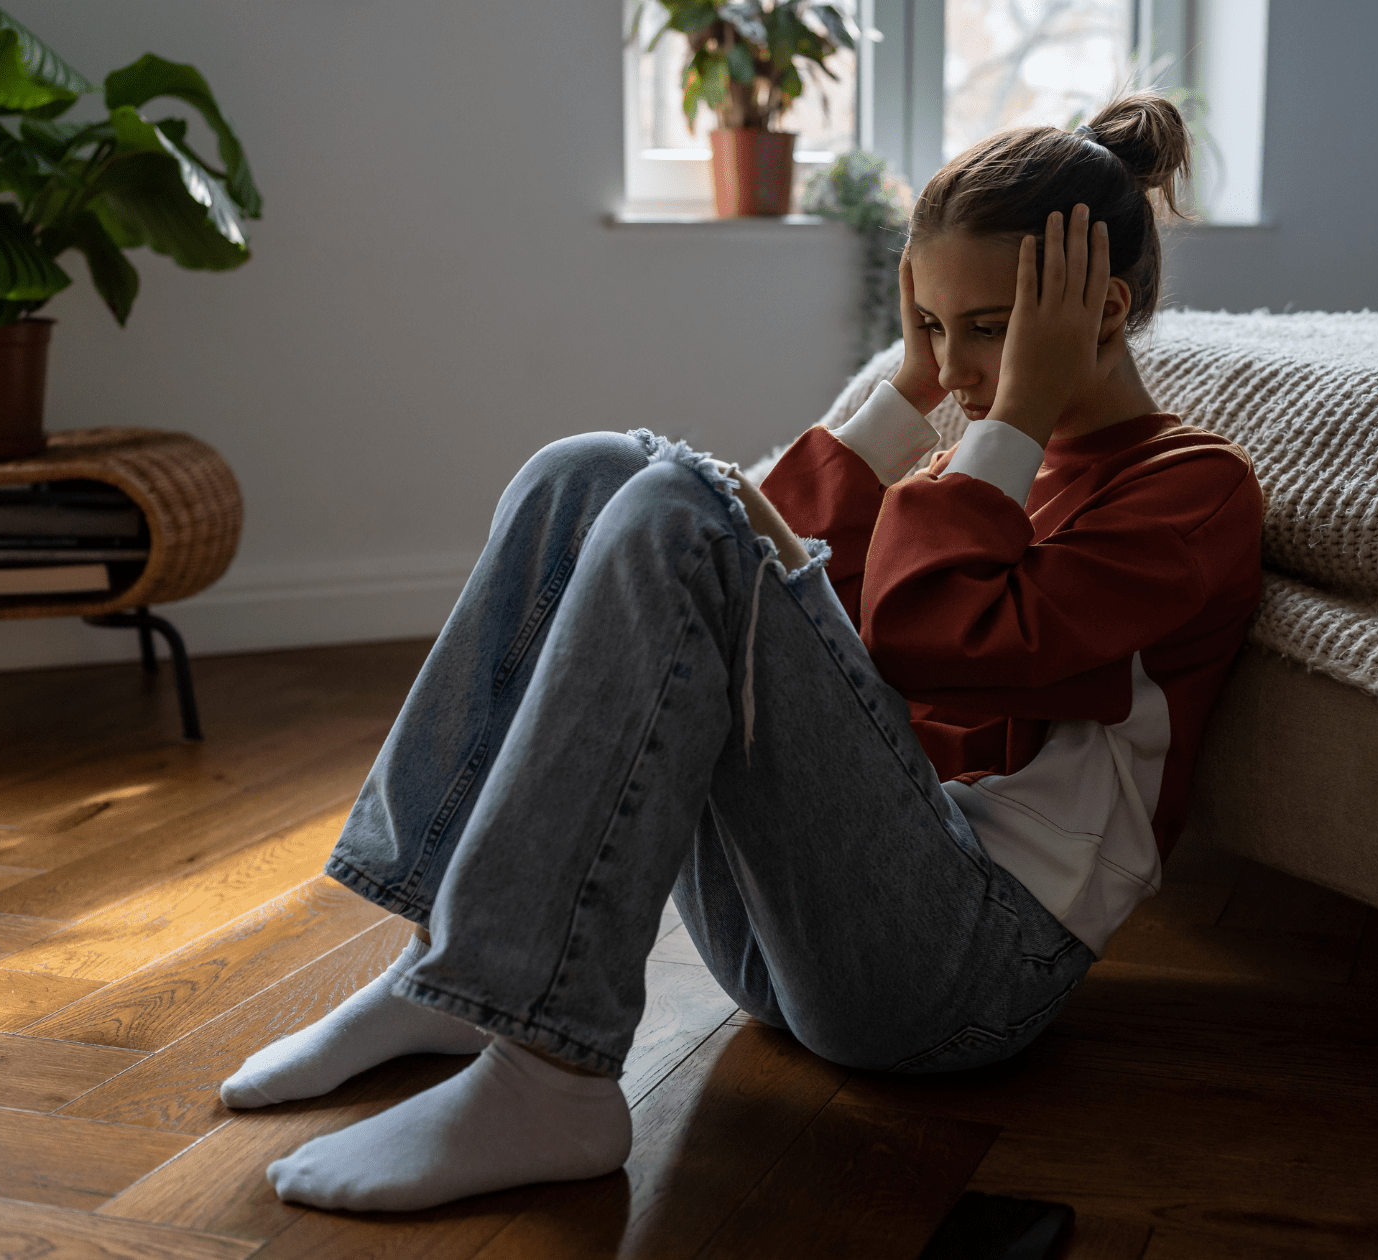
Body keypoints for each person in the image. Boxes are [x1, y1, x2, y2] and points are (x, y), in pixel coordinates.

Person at [223, 91, 1264, 1213]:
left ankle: (550, 1075)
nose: (956, 369)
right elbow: (758, 573)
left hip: (969, 974)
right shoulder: (959, 480)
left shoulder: (1188, 493)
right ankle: (455, 969)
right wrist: (908, 395)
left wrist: (1007, 425)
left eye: (989, 327)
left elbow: (929, 640)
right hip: (794, 939)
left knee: (677, 505)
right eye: (930, 326)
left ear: (1101, 311)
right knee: (594, 474)